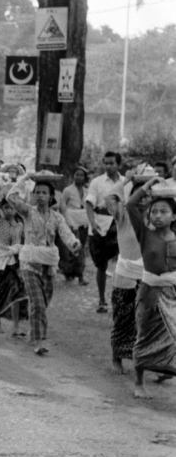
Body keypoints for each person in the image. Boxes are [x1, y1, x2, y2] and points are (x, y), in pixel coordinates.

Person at [7, 174, 81, 355]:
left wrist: (74, 244)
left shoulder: (56, 217)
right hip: (29, 262)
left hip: (48, 264)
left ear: (50, 196)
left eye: (44, 193)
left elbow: (65, 234)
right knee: (38, 302)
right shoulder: (27, 212)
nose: (40, 195)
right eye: (37, 192)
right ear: (33, 196)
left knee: (43, 301)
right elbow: (10, 198)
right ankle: (39, 341)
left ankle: (34, 332)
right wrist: (24, 178)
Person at [126, 177, 176, 398]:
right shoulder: (145, 234)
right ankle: (138, 382)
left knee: (172, 337)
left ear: (174, 216)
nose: (157, 215)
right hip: (149, 295)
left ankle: (165, 368)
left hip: (171, 296)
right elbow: (130, 206)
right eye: (154, 211)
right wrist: (147, 186)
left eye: (163, 211)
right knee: (144, 336)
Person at [105, 173, 146, 375]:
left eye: (146, 192)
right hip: (125, 274)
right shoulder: (123, 214)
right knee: (122, 316)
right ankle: (117, 357)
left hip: (148, 275)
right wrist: (127, 180)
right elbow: (110, 197)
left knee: (148, 320)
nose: (143, 197)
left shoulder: (157, 216)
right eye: (139, 191)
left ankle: (151, 362)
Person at [86, 151, 123, 313]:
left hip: (120, 226)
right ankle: (101, 300)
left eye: (111, 163)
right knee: (101, 264)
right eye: (106, 163)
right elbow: (89, 204)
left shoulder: (125, 183)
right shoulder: (97, 182)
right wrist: (92, 223)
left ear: (118, 165)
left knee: (123, 263)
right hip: (100, 226)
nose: (108, 166)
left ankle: (121, 299)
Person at [0, 198, 27, 335]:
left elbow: (23, 241)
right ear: (1, 209)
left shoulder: (20, 225)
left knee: (16, 291)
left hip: (15, 261)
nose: (9, 210)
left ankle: (16, 326)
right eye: (6, 207)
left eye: (12, 207)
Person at [59, 166, 90, 285]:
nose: (79, 177)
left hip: (83, 220)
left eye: (81, 175)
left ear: (85, 178)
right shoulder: (67, 190)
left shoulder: (87, 191)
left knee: (81, 247)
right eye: (77, 174)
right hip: (71, 220)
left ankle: (80, 273)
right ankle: (69, 273)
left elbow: (89, 206)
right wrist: (67, 222)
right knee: (73, 247)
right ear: (73, 176)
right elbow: (63, 207)